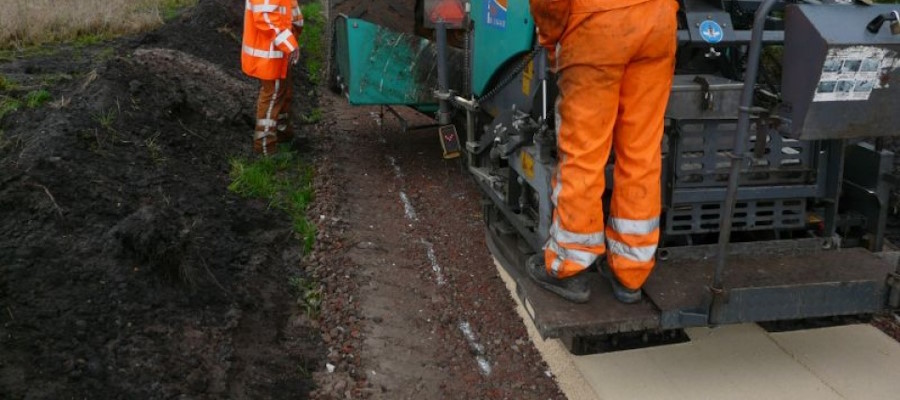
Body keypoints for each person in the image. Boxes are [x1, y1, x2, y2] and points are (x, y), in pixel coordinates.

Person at [526, 0, 678, 304]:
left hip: (595, 27)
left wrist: (551, 37)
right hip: (657, 23)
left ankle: (570, 267)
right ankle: (631, 271)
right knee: (642, 151)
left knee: (584, 154)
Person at [241, 0, 304, 155]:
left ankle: (283, 136)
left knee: (282, 93)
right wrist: (289, 44)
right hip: (269, 53)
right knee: (273, 95)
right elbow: (264, 17)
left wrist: (294, 32)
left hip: (278, 51)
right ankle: (264, 148)